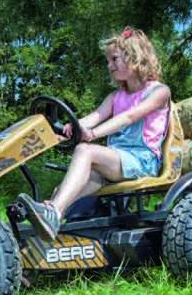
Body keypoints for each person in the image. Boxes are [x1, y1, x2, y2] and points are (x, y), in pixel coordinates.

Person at [19, 27, 170, 241]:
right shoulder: (116, 96)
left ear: (135, 57)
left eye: (114, 59)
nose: (109, 66)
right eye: (108, 61)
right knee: (61, 192)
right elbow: (95, 116)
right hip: (116, 161)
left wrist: (91, 134)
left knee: (85, 151)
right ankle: (41, 236)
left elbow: (128, 118)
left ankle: (52, 213)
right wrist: (72, 129)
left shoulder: (158, 92)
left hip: (142, 160)